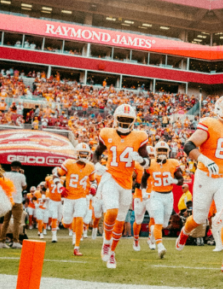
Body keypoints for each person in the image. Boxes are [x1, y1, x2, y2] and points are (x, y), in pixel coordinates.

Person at [179, 96, 223, 272]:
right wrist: (205, 160)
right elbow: (189, 145)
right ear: (220, 109)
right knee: (199, 218)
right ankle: (185, 232)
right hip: (205, 175)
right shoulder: (210, 123)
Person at [95, 104, 150, 269]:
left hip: (126, 183)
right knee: (111, 210)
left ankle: (112, 253)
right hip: (110, 177)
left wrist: (141, 160)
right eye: (122, 119)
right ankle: (106, 242)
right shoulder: (107, 132)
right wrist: (97, 164)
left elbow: (147, 162)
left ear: (133, 121)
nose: (125, 123)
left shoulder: (139, 136)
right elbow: (97, 152)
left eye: (128, 120)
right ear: (116, 119)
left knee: (120, 222)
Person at [142, 141, 183, 258]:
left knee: (164, 223)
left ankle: (153, 236)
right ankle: (160, 246)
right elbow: (144, 179)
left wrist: (174, 181)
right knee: (158, 222)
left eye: (164, 150)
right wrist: (144, 191)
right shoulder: (150, 164)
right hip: (156, 195)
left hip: (168, 196)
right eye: (159, 150)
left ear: (168, 152)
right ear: (155, 151)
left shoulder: (173, 163)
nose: (162, 152)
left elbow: (180, 180)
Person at [56, 144, 96, 256]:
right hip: (69, 197)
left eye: (86, 153)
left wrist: (93, 187)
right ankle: (70, 224)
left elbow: (93, 180)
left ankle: (77, 247)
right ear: (77, 154)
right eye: (82, 153)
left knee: (79, 219)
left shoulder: (90, 166)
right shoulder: (69, 163)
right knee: (66, 223)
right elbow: (56, 175)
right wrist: (60, 187)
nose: (84, 155)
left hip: (82, 197)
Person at [0, 161, 27, 249]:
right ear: (19, 168)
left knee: (5, 222)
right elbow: (24, 186)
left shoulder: (5, 174)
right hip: (17, 200)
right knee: (17, 222)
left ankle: (2, 241)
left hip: (7, 199)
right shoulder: (21, 176)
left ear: (11, 167)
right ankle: (15, 241)